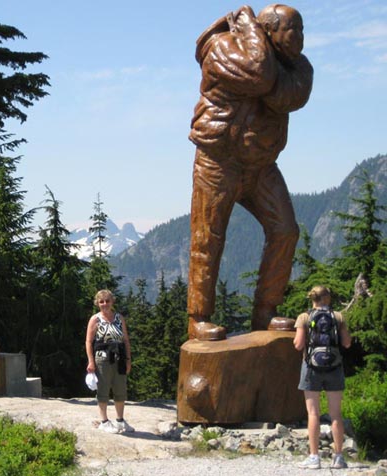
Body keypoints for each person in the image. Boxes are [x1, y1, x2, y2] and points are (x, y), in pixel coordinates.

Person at [187, 4, 313, 340]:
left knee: (285, 230)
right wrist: (248, 24)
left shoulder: (298, 67)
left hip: (260, 165)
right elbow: (259, 74)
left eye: (302, 29)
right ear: (268, 29)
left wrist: (268, 76)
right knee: (208, 237)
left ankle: (265, 311)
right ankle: (198, 318)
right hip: (218, 160)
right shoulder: (220, 47)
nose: (301, 38)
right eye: (293, 29)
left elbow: (289, 95)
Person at [294, 285, 352, 470]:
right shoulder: (338, 316)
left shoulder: (304, 317)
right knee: (336, 414)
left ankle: (314, 457)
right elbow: (347, 343)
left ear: (312, 298)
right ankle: (339, 457)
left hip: (311, 368)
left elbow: (298, 344)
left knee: (313, 413)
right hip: (334, 367)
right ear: (328, 298)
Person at [85, 289, 134, 434]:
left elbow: (125, 340)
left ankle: (120, 420)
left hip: (119, 357)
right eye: (101, 301)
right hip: (102, 359)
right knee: (103, 389)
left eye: (107, 301)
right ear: (97, 303)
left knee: (120, 389)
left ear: (112, 302)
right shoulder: (95, 319)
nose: (104, 304)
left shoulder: (119, 318)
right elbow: (88, 342)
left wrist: (128, 360)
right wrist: (91, 361)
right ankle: (104, 422)